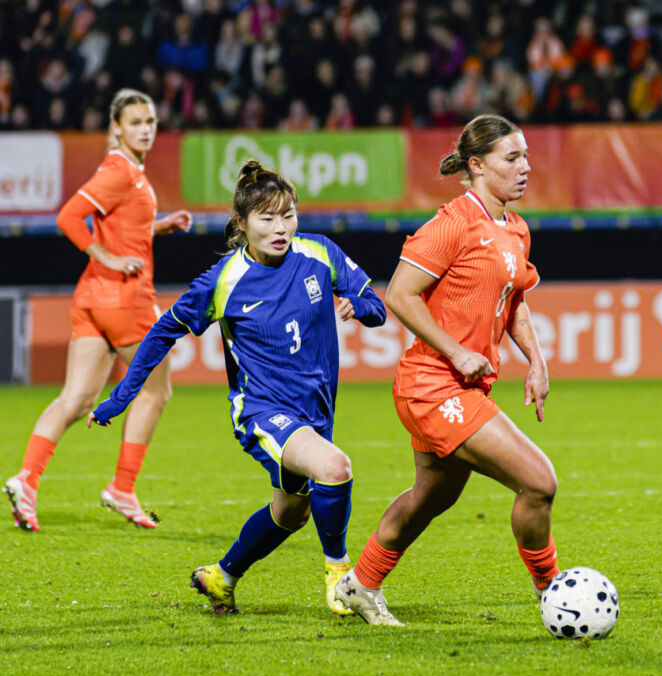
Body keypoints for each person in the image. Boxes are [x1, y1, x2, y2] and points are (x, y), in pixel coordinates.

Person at [89, 160, 387, 616]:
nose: (280, 227)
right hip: (261, 411)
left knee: (291, 513)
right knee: (334, 466)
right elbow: (162, 332)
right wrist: (120, 397)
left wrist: (358, 306)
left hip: (316, 411)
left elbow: (376, 306)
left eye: (288, 215)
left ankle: (222, 577)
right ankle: (341, 575)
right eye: (267, 218)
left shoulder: (320, 253)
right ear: (242, 223)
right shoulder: (223, 281)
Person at [333, 114, 557, 626]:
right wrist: (456, 352)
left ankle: (360, 584)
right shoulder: (453, 223)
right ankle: (554, 593)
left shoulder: (515, 229)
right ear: (476, 166)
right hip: (433, 385)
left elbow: (515, 298)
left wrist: (536, 362)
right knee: (539, 482)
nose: (525, 168)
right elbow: (399, 293)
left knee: (430, 498)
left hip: (462, 386)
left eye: (526, 156)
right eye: (512, 158)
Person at [5, 88, 192, 532]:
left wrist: (157, 226)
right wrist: (107, 257)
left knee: (77, 398)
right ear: (116, 128)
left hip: (91, 299)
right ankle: (123, 487)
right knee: (155, 390)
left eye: (150, 121)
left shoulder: (130, 173)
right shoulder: (120, 170)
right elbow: (69, 217)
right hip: (125, 299)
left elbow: (121, 228)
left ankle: (26, 480)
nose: (146, 128)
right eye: (136, 122)